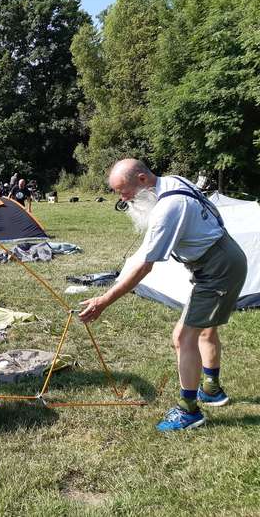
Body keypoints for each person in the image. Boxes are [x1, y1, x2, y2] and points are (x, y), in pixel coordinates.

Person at [79, 159, 247, 432]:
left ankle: (189, 411)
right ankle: (212, 391)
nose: (124, 199)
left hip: (219, 268)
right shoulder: (171, 182)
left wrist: (104, 301)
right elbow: (144, 250)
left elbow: (146, 265)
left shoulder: (168, 208)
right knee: (204, 331)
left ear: (143, 180)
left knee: (183, 337)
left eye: (125, 192)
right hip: (221, 259)